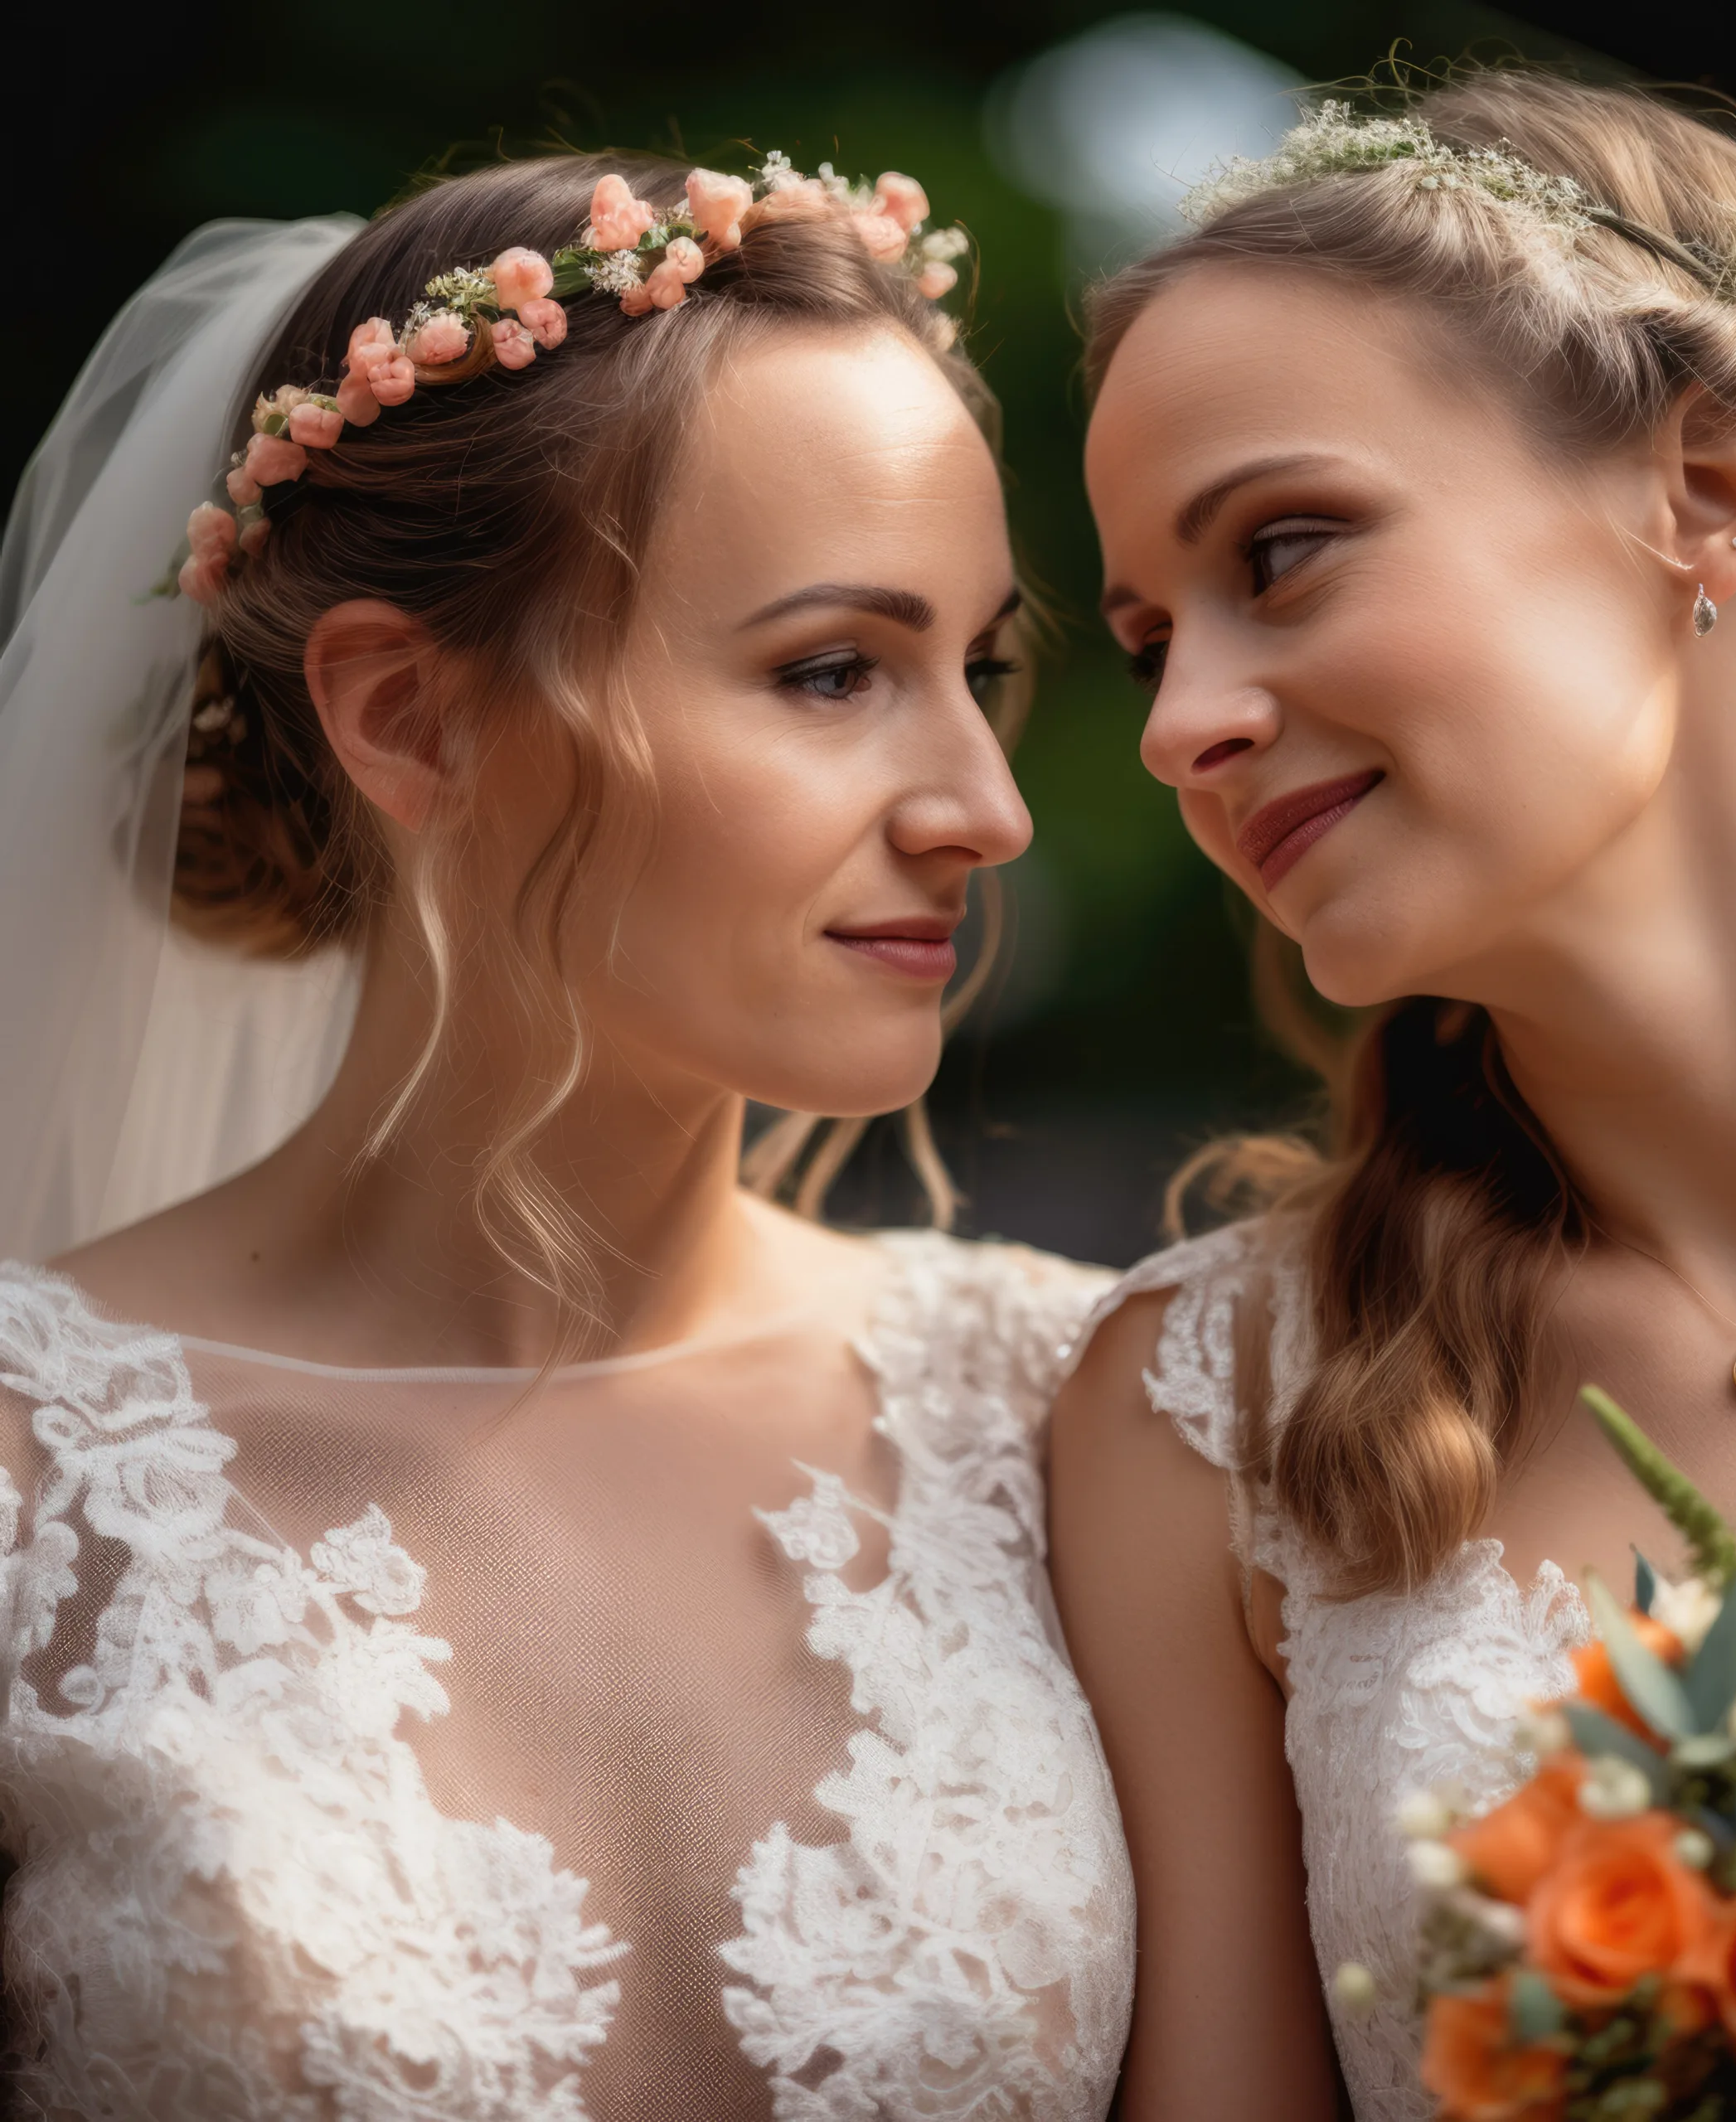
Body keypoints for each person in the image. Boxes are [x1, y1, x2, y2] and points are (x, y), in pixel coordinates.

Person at [0, 149, 1131, 2119]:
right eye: (833, 670)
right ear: (408, 719)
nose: (981, 804)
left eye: (980, 671)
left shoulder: (1074, 1421)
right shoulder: (33, 1489)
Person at [1050, 70, 1736, 2120]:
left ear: (1712, 479)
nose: (1183, 722)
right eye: (1141, 644)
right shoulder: (1210, 1421)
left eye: (1280, 551)